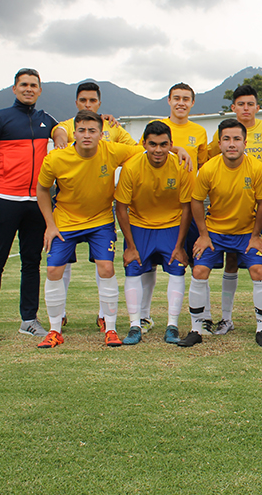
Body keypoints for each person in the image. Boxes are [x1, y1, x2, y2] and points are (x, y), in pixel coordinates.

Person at [35, 111, 167, 348]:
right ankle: (54, 330)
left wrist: (177, 150)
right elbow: (42, 190)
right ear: (74, 132)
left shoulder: (112, 150)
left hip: (100, 221)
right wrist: (50, 225)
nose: (87, 135)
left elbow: (148, 150)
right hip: (65, 221)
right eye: (82, 130)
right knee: (54, 270)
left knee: (106, 268)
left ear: (100, 133)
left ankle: (111, 328)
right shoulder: (55, 158)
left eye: (92, 130)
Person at [0, 68, 58, 342]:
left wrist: (60, 133)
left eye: (34, 85)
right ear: (14, 88)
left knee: (31, 262)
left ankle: (29, 320)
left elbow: (69, 130)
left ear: (40, 90)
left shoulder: (47, 120)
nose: (29, 89)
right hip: (4, 201)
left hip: (36, 203)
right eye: (24, 84)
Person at [51, 81, 137, 332]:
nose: (87, 104)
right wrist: (61, 141)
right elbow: (59, 134)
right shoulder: (68, 126)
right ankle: (60, 314)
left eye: (92, 101)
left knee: (105, 265)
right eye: (83, 101)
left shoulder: (112, 128)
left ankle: (104, 316)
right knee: (60, 264)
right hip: (67, 210)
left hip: (100, 213)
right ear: (76, 103)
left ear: (99, 103)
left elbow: (136, 151)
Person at [181, 118, 262, 348]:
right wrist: (203, 234)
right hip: (215, 232)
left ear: (245, 142)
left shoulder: (257, 169)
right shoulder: (209, 169)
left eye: (237, 139)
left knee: (259, 270)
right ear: (219, 143)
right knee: (199, 270)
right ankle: (196, 328)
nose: (232, 144)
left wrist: (255, 235)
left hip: (245, 233)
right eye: (227, 139)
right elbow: (196, 201)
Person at [206, 84, 262, 335]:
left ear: (257, 107)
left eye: (251, 104)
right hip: (229, 210)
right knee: (231, 260)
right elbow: (205, 156)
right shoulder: (225, 132)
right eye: (241, 104)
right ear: (234, 107)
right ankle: (226, 319)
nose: (246, 108)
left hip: (257, 205)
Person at [114, 121, 193, 345]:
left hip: (171, 226)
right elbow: (121, 207)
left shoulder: (181, 166)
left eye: (163, 144)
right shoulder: (131, 167)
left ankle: (172, 325)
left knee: (177, 270)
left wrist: (179, 246)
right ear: (144, 144)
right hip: (140, 226)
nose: (158, 150)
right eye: (153, 144)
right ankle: (134, 325)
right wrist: (130, 246)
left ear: (171, 145)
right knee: (133, 270)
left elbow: (186, 207)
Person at [155, 83, 210, 330]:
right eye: (176, 98)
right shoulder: (157, 127)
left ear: (192, 103)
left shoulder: (199, 131)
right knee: (153, 264)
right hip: (161, 208)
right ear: (168, 100)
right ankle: (145, 318)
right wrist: (177, 149)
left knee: (199, 264)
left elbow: (204, 168)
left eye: (186, 99)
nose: (181, 103)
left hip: (191, 205)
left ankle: (203, 318)